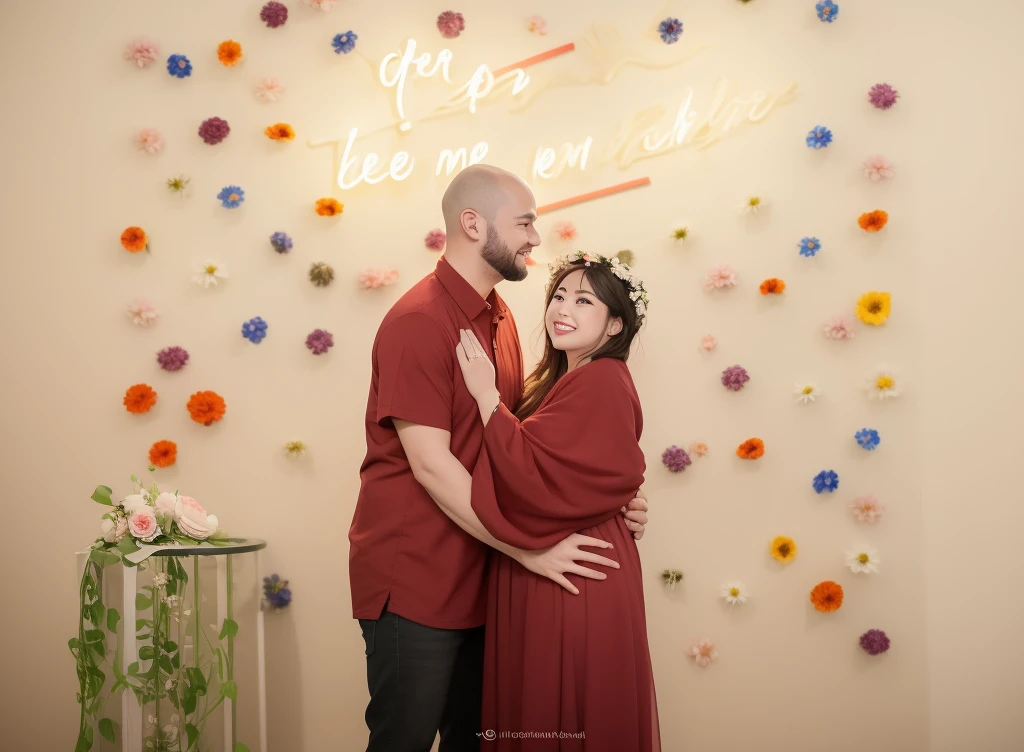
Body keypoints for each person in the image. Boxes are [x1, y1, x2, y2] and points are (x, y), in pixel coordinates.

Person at [347, 165, 651, 752]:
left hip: (489, 580)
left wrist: (617, 499)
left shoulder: (502, 317)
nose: (536, 238)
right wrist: (530, 550)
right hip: (420, 581)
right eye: (524, 223)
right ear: (472, 224)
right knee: (401, 742)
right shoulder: (418, 322)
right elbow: (431, 464)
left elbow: (533, 445)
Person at [455, 250, 661, 750]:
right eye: (559, 296)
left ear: (615, 324)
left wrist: (486, 400)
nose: (562, 309)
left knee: (565, 705)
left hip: (572, 570)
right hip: (556, 559)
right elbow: (588, 470)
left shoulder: (600, 381)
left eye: (584, 300)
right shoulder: (563, 382)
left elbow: (534, 475)